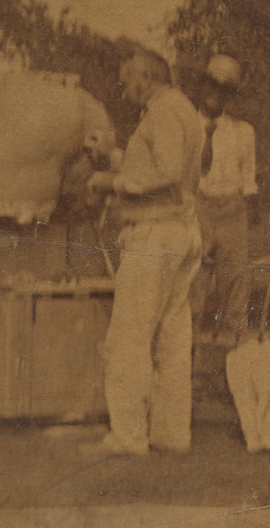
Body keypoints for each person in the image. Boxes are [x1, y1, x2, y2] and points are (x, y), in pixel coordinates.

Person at [82, 50, 203, 456]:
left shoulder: (165, 111)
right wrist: (113, 158)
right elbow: (157, 163)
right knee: (171, 336)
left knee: (129, 336)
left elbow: (165, 171)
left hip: (155, 234)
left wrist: (112, 184)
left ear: (144, 78)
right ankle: (170, 435)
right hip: (180, 231)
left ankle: (128, 436)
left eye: (125, 80)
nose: (123, 88)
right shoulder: (181, 110)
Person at [189, 55, 257, 346]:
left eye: (224, 88)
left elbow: (248, 183)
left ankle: (237, 375)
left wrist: (240, 217)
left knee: (236, 292)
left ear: (231, 94)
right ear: (203, 84)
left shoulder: (243, 132)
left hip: (232, 212)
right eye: (212, 84)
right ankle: (184, 373)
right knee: (192, 290)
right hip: (196, 208)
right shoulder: (186, 125)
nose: (216, 93)